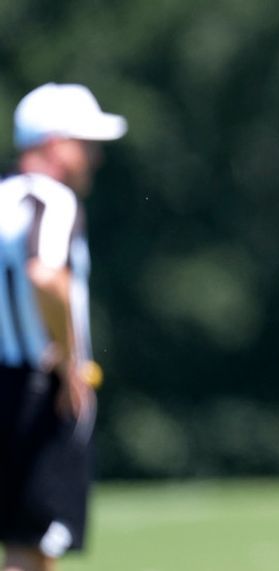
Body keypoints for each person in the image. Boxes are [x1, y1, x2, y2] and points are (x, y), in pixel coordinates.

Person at [0, 83, 127, 571]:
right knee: (34, 547)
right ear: (55, 143)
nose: (94, 158)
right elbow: (45, 274)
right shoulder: (53, 200)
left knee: (22, 541)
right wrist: (70, 358)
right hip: (36, 389)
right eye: (85, 144)